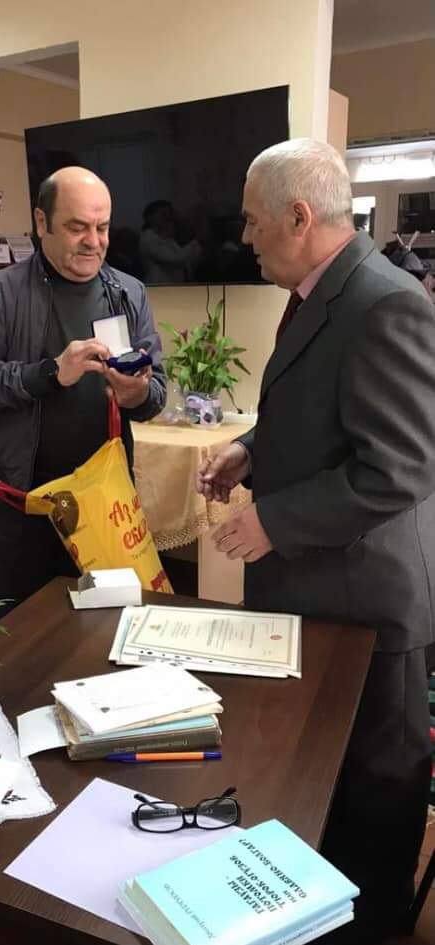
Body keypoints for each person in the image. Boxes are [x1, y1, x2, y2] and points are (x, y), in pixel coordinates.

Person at [196, 139, 435, 945]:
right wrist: (248, 450)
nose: (245, 237)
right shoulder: (319, 292)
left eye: (252, 221)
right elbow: (318, 415)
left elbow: (399, 467)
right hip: (319, 592)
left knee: (374, 792)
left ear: (298, 217)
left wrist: (273, 520)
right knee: (316, 776)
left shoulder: (383, 301)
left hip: (366, 604)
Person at [0, 167, 166, 617]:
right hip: (23, 506)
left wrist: (136, 395)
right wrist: (49, 373)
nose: (94, 242)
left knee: (104, 629)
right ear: (41, 222)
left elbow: (156, 391)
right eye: (77, 227)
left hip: (104, 505)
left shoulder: (129, 293)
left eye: (102, 227)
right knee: (16, 633)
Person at [139, 200, 202, 283]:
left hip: (175, 286)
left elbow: (188, 260)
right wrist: (196, 241)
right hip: (159, 287)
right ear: (149, 218)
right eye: (163, 214)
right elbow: (175, 259)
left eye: (169, 214)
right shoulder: (148, 238)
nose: (168, 218)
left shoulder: (167, 237)